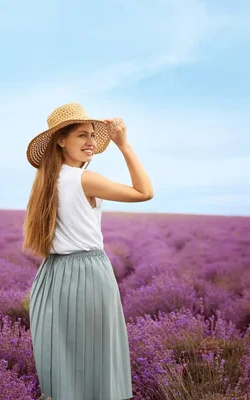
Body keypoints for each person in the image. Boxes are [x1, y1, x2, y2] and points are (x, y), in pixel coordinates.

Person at [22, 102, 153, 400]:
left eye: (92, 135)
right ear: (61, 139)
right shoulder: (85, 179)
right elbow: (145, 192)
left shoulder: (44, 182)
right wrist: (124, 145)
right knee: (98, 363)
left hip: (50, 276)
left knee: (61, 365)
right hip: (88, 274)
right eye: (82, 135)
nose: (91, 142)